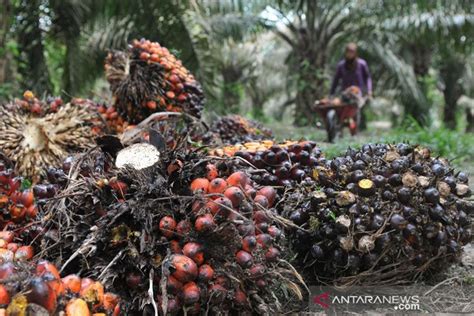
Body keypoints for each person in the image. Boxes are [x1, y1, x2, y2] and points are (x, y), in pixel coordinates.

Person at [329, 43, 372, 130]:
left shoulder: (362, 64)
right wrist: (331, 93)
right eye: (348, 52)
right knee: (339, 106)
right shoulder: (341, 65)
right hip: (345, 93)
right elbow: (336, 80)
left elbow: (368, 78)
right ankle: (339, 126)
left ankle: (358, 126)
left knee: (357, 107)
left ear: (355, 53)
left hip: (357, 93)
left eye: (352, 52)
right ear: (345, 53)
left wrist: (369, 90)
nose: (350, 54)